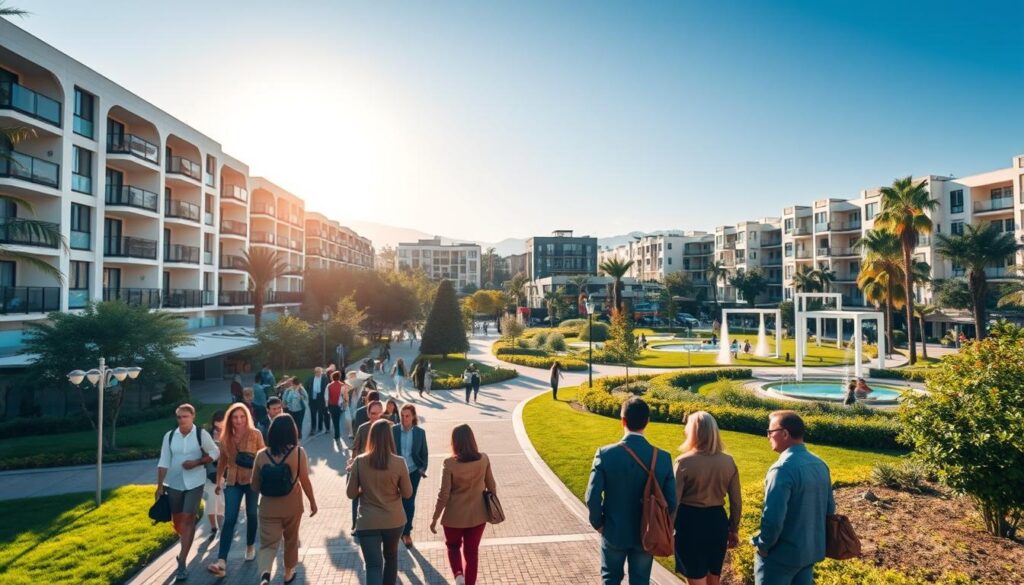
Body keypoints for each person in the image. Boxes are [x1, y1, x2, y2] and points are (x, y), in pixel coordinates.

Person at [585, 396, 677, 585]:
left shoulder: (605, 454)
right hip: (648, 533)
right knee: (641, 581)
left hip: (614, 530)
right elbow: (672, 502)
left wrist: (598, 523)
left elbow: (592, 496)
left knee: (610, 579)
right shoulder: (663, 458)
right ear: (647, 422)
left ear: (623, 421)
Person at [752, 411, 835, 585]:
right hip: (809, 554)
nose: (768, 436)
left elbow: (773, 518)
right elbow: (829, 510)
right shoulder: (820, 464)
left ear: (784, 433)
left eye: (770, 432)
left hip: (781, 557)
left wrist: (763, 545)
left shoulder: (781, 469)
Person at [674, 411, 742, 585]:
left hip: (690, 523)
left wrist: (668, 529)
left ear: (693, 432)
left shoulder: (683, 462)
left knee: (695, 578)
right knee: (714, 579)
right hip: (717, 522)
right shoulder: (729, 462)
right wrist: (733, 528)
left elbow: (674, 502)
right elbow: (736, 501)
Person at [156, 404, 220, 582]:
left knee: (188, 518)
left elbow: (215, 452)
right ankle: (184, 543)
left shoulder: (201, 434)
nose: (182, 420)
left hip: (195, 482)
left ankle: (182, 562)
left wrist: (198, 462)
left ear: (193, 416)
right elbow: (163, 461)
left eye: (185, 416)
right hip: (174, 483)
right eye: (179, 417)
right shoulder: (169, 437)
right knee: (178, 523)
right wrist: (159, 486)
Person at [251, 414, 317, 585]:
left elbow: (254, 486)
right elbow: (305, 480)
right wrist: (312, 502)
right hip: (292, 505)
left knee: (267, 544)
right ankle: (288, 574)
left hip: (267, 507)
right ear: (292, 432)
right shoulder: (299, 452)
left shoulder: (260, 455)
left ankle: (265, 575)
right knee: (291, 539)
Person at [348, 419, 412, 585]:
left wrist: (363, 489)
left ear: (371, 437)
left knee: (373, 566)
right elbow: (407, 493)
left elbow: (351, 493)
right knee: (391, 558)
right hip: (393, 520)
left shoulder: (359, 461)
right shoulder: (399, 462)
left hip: (367, 521)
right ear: (389, 437)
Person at [431, 424, 496, 585]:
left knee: (453, 547)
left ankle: (459, 575)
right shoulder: (484, 459)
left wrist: (435, 518)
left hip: (454, 516)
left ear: (455, 442)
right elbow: (492, 486)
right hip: (478, 515)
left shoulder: (449, 463)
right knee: (472, 553)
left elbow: (443, 494)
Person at [207, 403, 265, 578]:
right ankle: (222, 561)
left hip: (252, 480)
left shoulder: (256, 434)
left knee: (252, 514)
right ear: (230, 419)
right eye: (235, 417)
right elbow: (222, 462)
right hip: (233, 482)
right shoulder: (225, 438)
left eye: (242, 417)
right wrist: (218, 482)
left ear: (247, 417)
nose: (239, 420)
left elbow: (263, 456)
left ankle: (249, 545)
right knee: (230, 518)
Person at [392, 404, 428, 548]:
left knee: (409, 501)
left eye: (407, 416)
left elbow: (424, 454)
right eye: (402, 415)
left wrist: (422, 468)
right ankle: (395, 529)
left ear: (413, 417)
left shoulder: (420, 433)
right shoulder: (393, 430)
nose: (404, 418)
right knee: (396, 501)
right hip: (396, 472)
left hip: (413, 472)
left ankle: (406, 533)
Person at [350, 400, 386, 532]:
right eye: (372, 413)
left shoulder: (389, 427)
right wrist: (353, 464)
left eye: (377, 413)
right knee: (356, 496)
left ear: (382, 413)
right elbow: (355, 448)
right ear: (368, 413)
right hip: (363, 469)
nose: (374, 416)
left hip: (382, 469)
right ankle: (356, 524)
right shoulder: (363, 428)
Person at [203, 410, 226, 539]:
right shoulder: (207, 435)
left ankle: (222, 527)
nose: (219, 428)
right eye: (217, 425)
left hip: (223, 472)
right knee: (212, 498)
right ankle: (213, 526)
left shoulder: (230, 433)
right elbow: (205, 454)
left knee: (221, 501)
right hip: (210, 472)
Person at [326, 371, 350, 448]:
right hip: (340, 406)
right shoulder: (343, 385)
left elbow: (326, 397)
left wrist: (327, 406)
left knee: (335, 421)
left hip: (331, 405)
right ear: (339, 377)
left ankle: (337, 436)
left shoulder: (329, 386)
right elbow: (346, 396)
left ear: (332, 377)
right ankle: (338, 435)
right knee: (338, 420)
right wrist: (346, 403)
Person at [306, 367, 330, 435]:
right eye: (316, 372)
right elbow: (307, 386)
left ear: (321, 372)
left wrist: (327, 399)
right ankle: (313, 429)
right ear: (314, 372)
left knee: (324, 413)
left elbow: (327, 388)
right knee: (313, 414)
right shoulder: (311, 379)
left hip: (322, 398)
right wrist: (309, 394)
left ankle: (324, 428)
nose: (318, 373)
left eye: (319, 372)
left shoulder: (325, 379)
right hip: (313, 399)